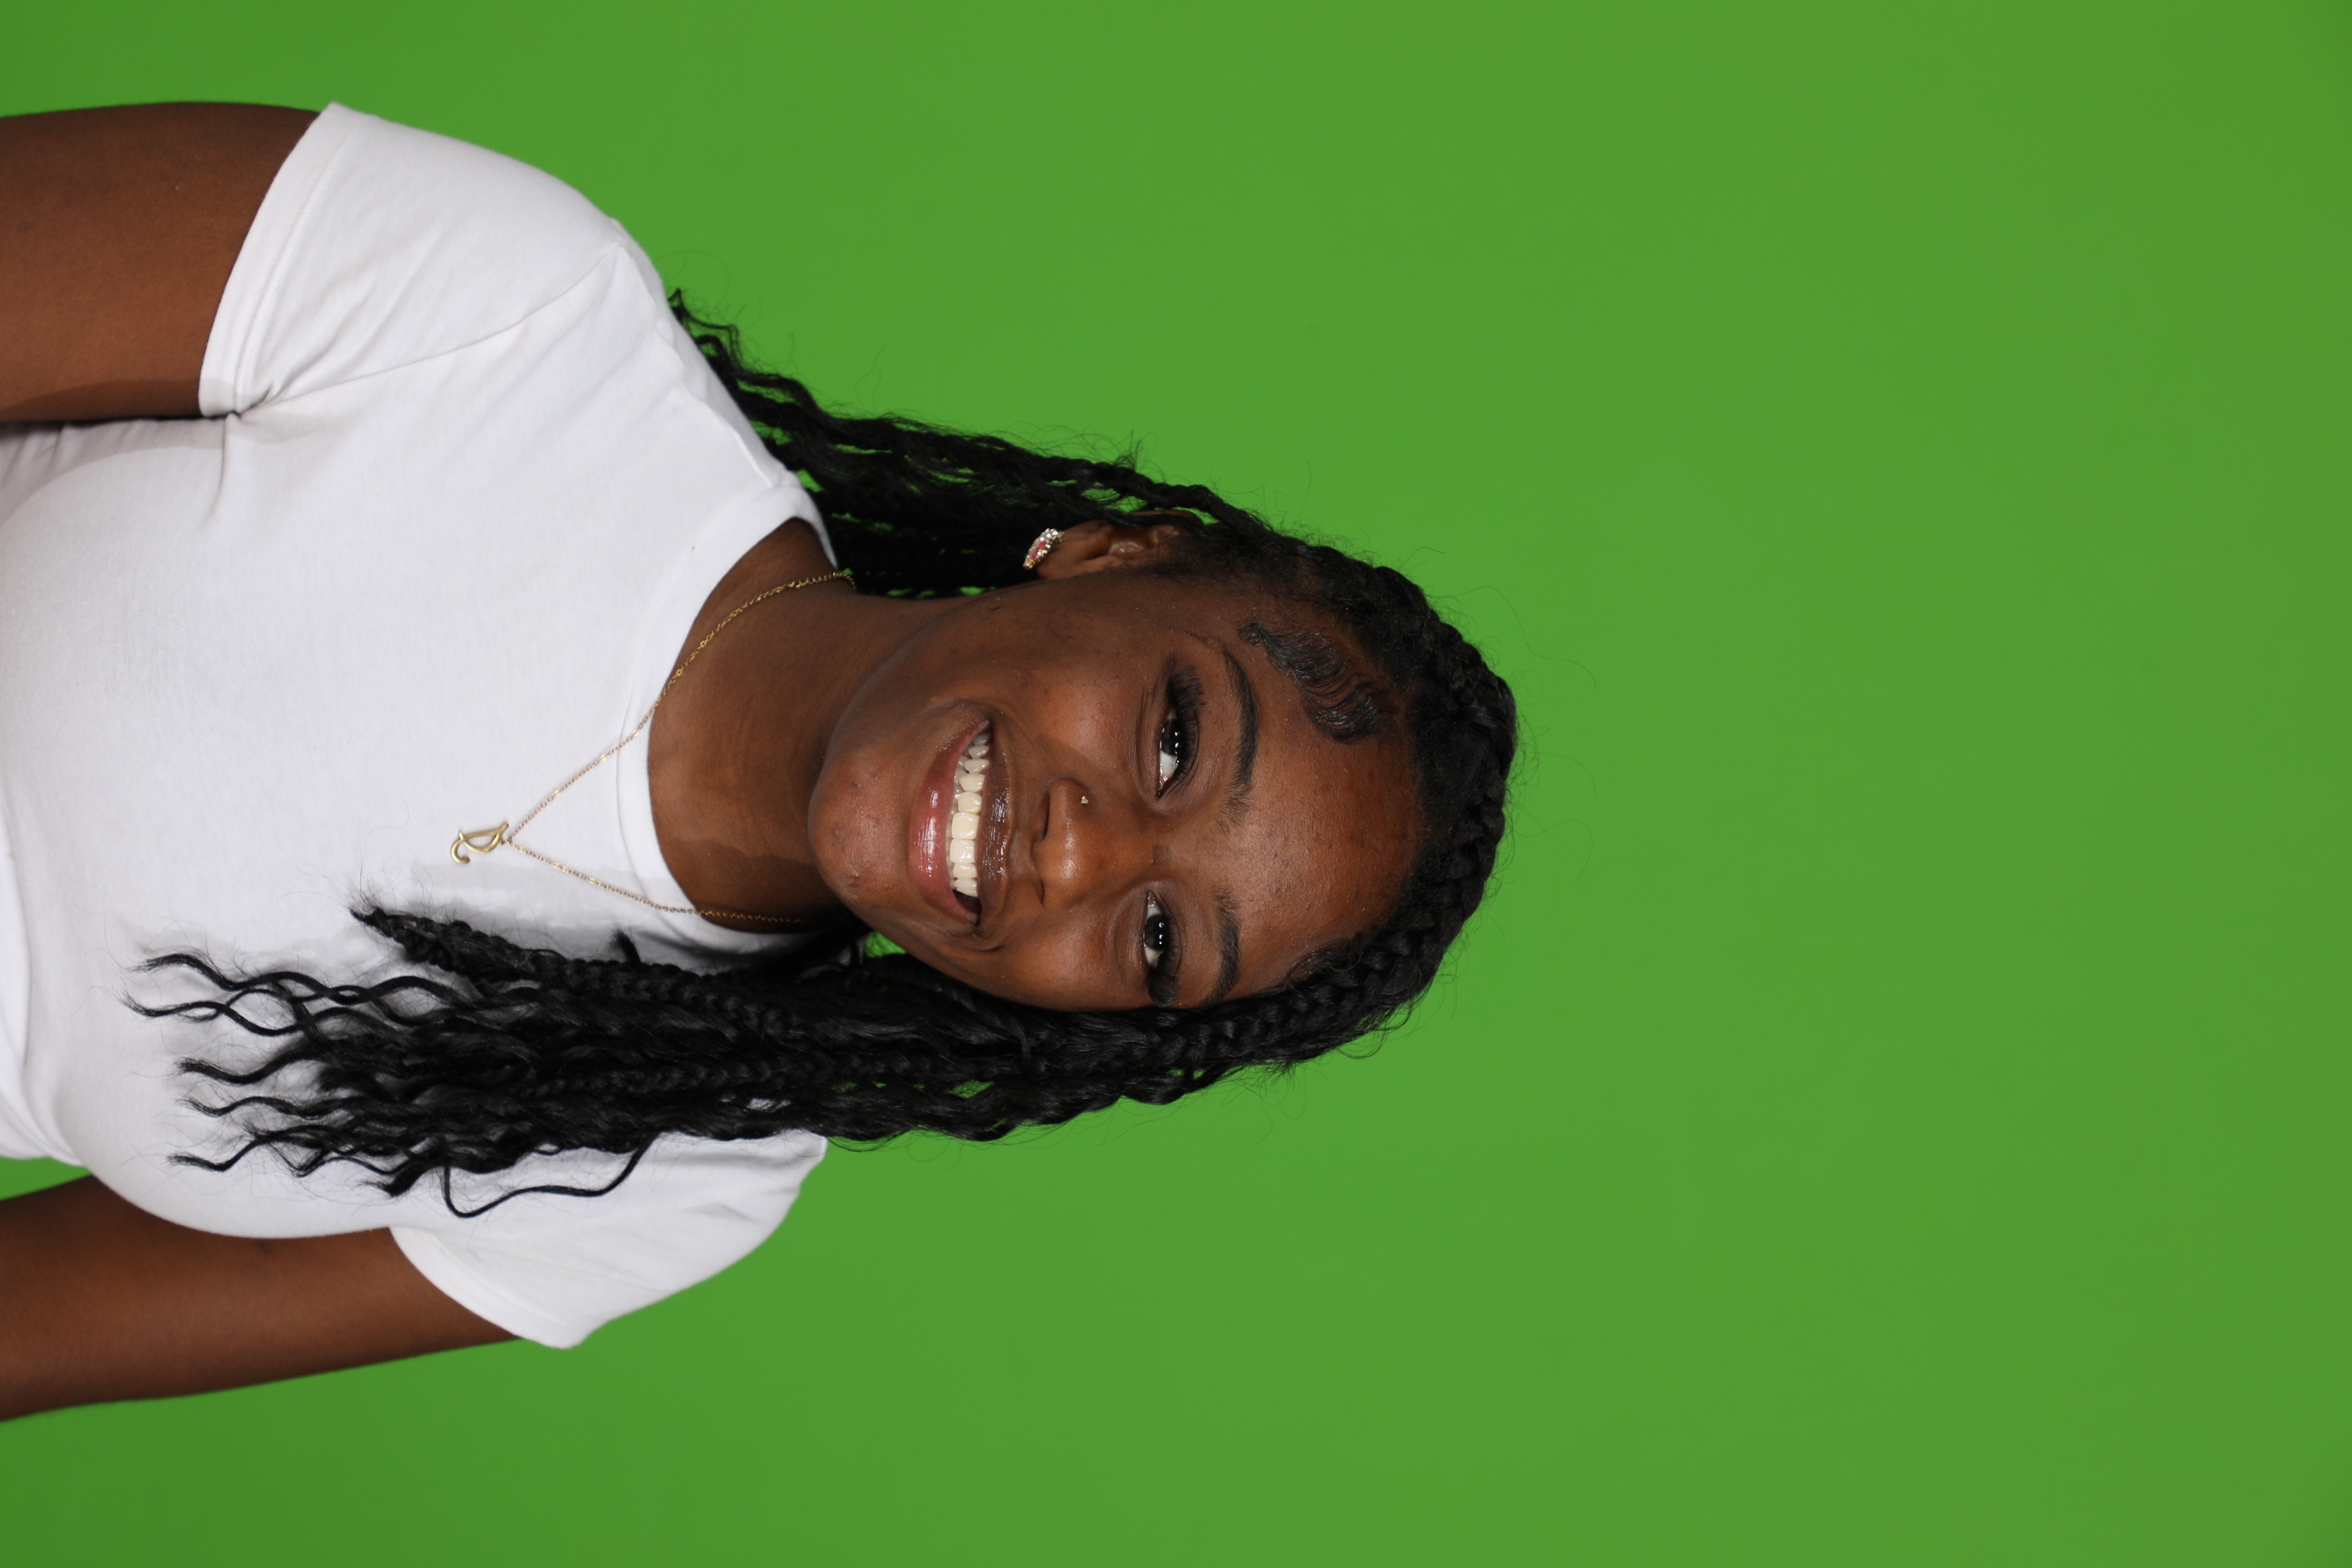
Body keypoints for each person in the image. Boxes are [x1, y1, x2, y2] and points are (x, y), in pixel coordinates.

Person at [0, 102, 1515, 1417]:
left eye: (1162, 940)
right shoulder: (521, 323)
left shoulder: (677, 1169)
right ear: (1117, 555)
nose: (1080, 853)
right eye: (1174, 739)